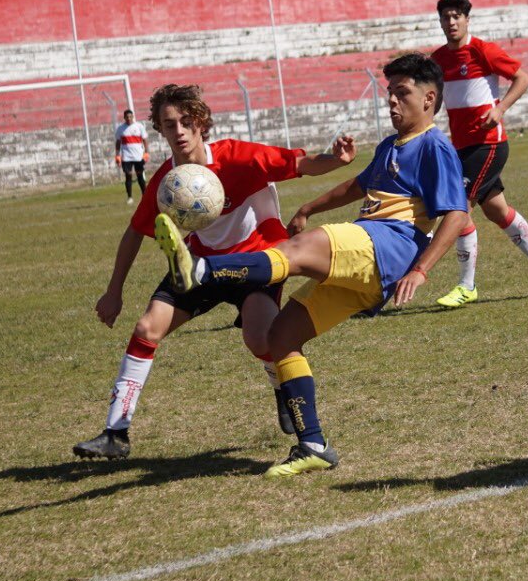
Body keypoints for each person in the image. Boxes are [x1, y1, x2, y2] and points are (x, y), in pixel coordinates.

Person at [154, 53, 469, 477]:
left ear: (429, 99)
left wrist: (422, 269)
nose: (391, 102)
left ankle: (204, 272)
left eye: (402, 94)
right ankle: (313, 444)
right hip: (369, 268)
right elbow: (357, 185)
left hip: (387, 247)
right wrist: (308, 205)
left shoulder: (434, 145)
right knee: (280, 336)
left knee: (299, 250)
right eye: (389, 93)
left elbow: (457, 214)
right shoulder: (391, 146)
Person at [74, 84, 355, 459]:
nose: (179, 131)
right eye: (168, 124)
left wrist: (338, 160)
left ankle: (280, 385)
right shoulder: (167, 182)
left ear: (201, 123)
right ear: (159, 129)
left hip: (257, 260)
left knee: (260, 340)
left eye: (186, 122)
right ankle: (115, 432)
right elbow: (134, 232)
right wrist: (114, 291)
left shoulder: (239, 157)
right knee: (146, 328)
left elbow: (300, 164)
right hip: (202, 266)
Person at [429, 0, 528, 309]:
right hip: (462, 146)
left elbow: (522, 78)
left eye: (457, 15)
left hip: (489, 144)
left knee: (459, 210)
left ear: (466, 19)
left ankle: (466, 286)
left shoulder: (483, 50)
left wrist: (500, 110)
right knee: (495, 210)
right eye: (446, 16)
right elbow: (438, 96)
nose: (451, 21)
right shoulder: (438, 59)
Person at [115, 109, 151, 205]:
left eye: (130, 117)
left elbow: (145, 140)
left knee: (140, 176)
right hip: (126, 157)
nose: (129, 119)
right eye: (127, 117)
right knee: (128, 176)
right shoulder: (120, 129)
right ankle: (130, 197)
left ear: (133, 117)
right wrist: (117, 155)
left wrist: (146, 153)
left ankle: (145, 195)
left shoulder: (139, 126)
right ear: (124, 118)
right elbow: (118, 143)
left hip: (138, 157)